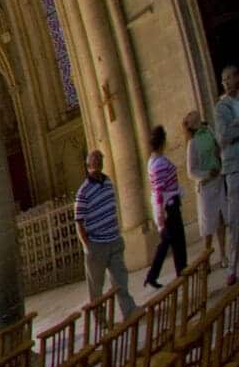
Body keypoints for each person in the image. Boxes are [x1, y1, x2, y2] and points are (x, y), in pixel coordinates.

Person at [75, 149, 137, 317]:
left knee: (120, 280)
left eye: (99, 160)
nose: (97, 164)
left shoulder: (108, 182)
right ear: (88, 166)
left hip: (114, 240)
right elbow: (79, 223)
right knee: (96, 289)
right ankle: (102, 322)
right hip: (96, 244)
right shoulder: (83, 192)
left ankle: (129, 311)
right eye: (94, 162)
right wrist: (88, 246)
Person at [144, 125, 186, 290]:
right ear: (163, 141)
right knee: (174, 241)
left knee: (171, 241)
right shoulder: (158, 163)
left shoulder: (153, 161)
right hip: (169, 207)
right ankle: (178, 272)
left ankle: (159, 274)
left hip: (169, 205)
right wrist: (161, 215)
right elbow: (159, 190)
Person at [184, 107, 226, 271]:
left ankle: (223, 255)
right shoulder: (192, 143)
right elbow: (191, 171)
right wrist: (207, 174)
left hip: (218, 180)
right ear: (191, 124)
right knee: (208, 226)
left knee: (221, 221)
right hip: (206, 186)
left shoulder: (208, 130)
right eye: (192, 115)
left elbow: (218, 146)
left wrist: (219, 160)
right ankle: (206, 259)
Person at [217, 66, 239, 286]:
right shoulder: (221, 107)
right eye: (223, 80)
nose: (225, 82)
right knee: (234, 220)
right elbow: (223, 136)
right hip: (234, 168)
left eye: (228, 78)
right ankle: (233, 267)